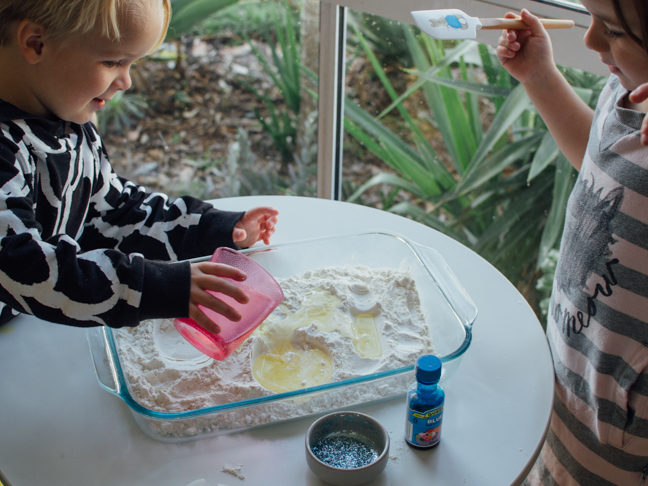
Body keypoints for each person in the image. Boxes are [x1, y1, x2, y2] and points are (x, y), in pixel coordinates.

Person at [0, 0, 279, 335]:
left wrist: (213, 229)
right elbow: (23, 267)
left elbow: (116, 213)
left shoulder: (68, 118)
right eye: (113, 61)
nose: (126, 81)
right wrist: (156, 287)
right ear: (35, 43)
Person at [496, 1, 648, 484]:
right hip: (570, 384)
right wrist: (539, 77)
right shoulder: (625, 90)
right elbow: (604, 167)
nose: (591, 41)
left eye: (617, 31)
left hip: (622, 442)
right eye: (593, 19)